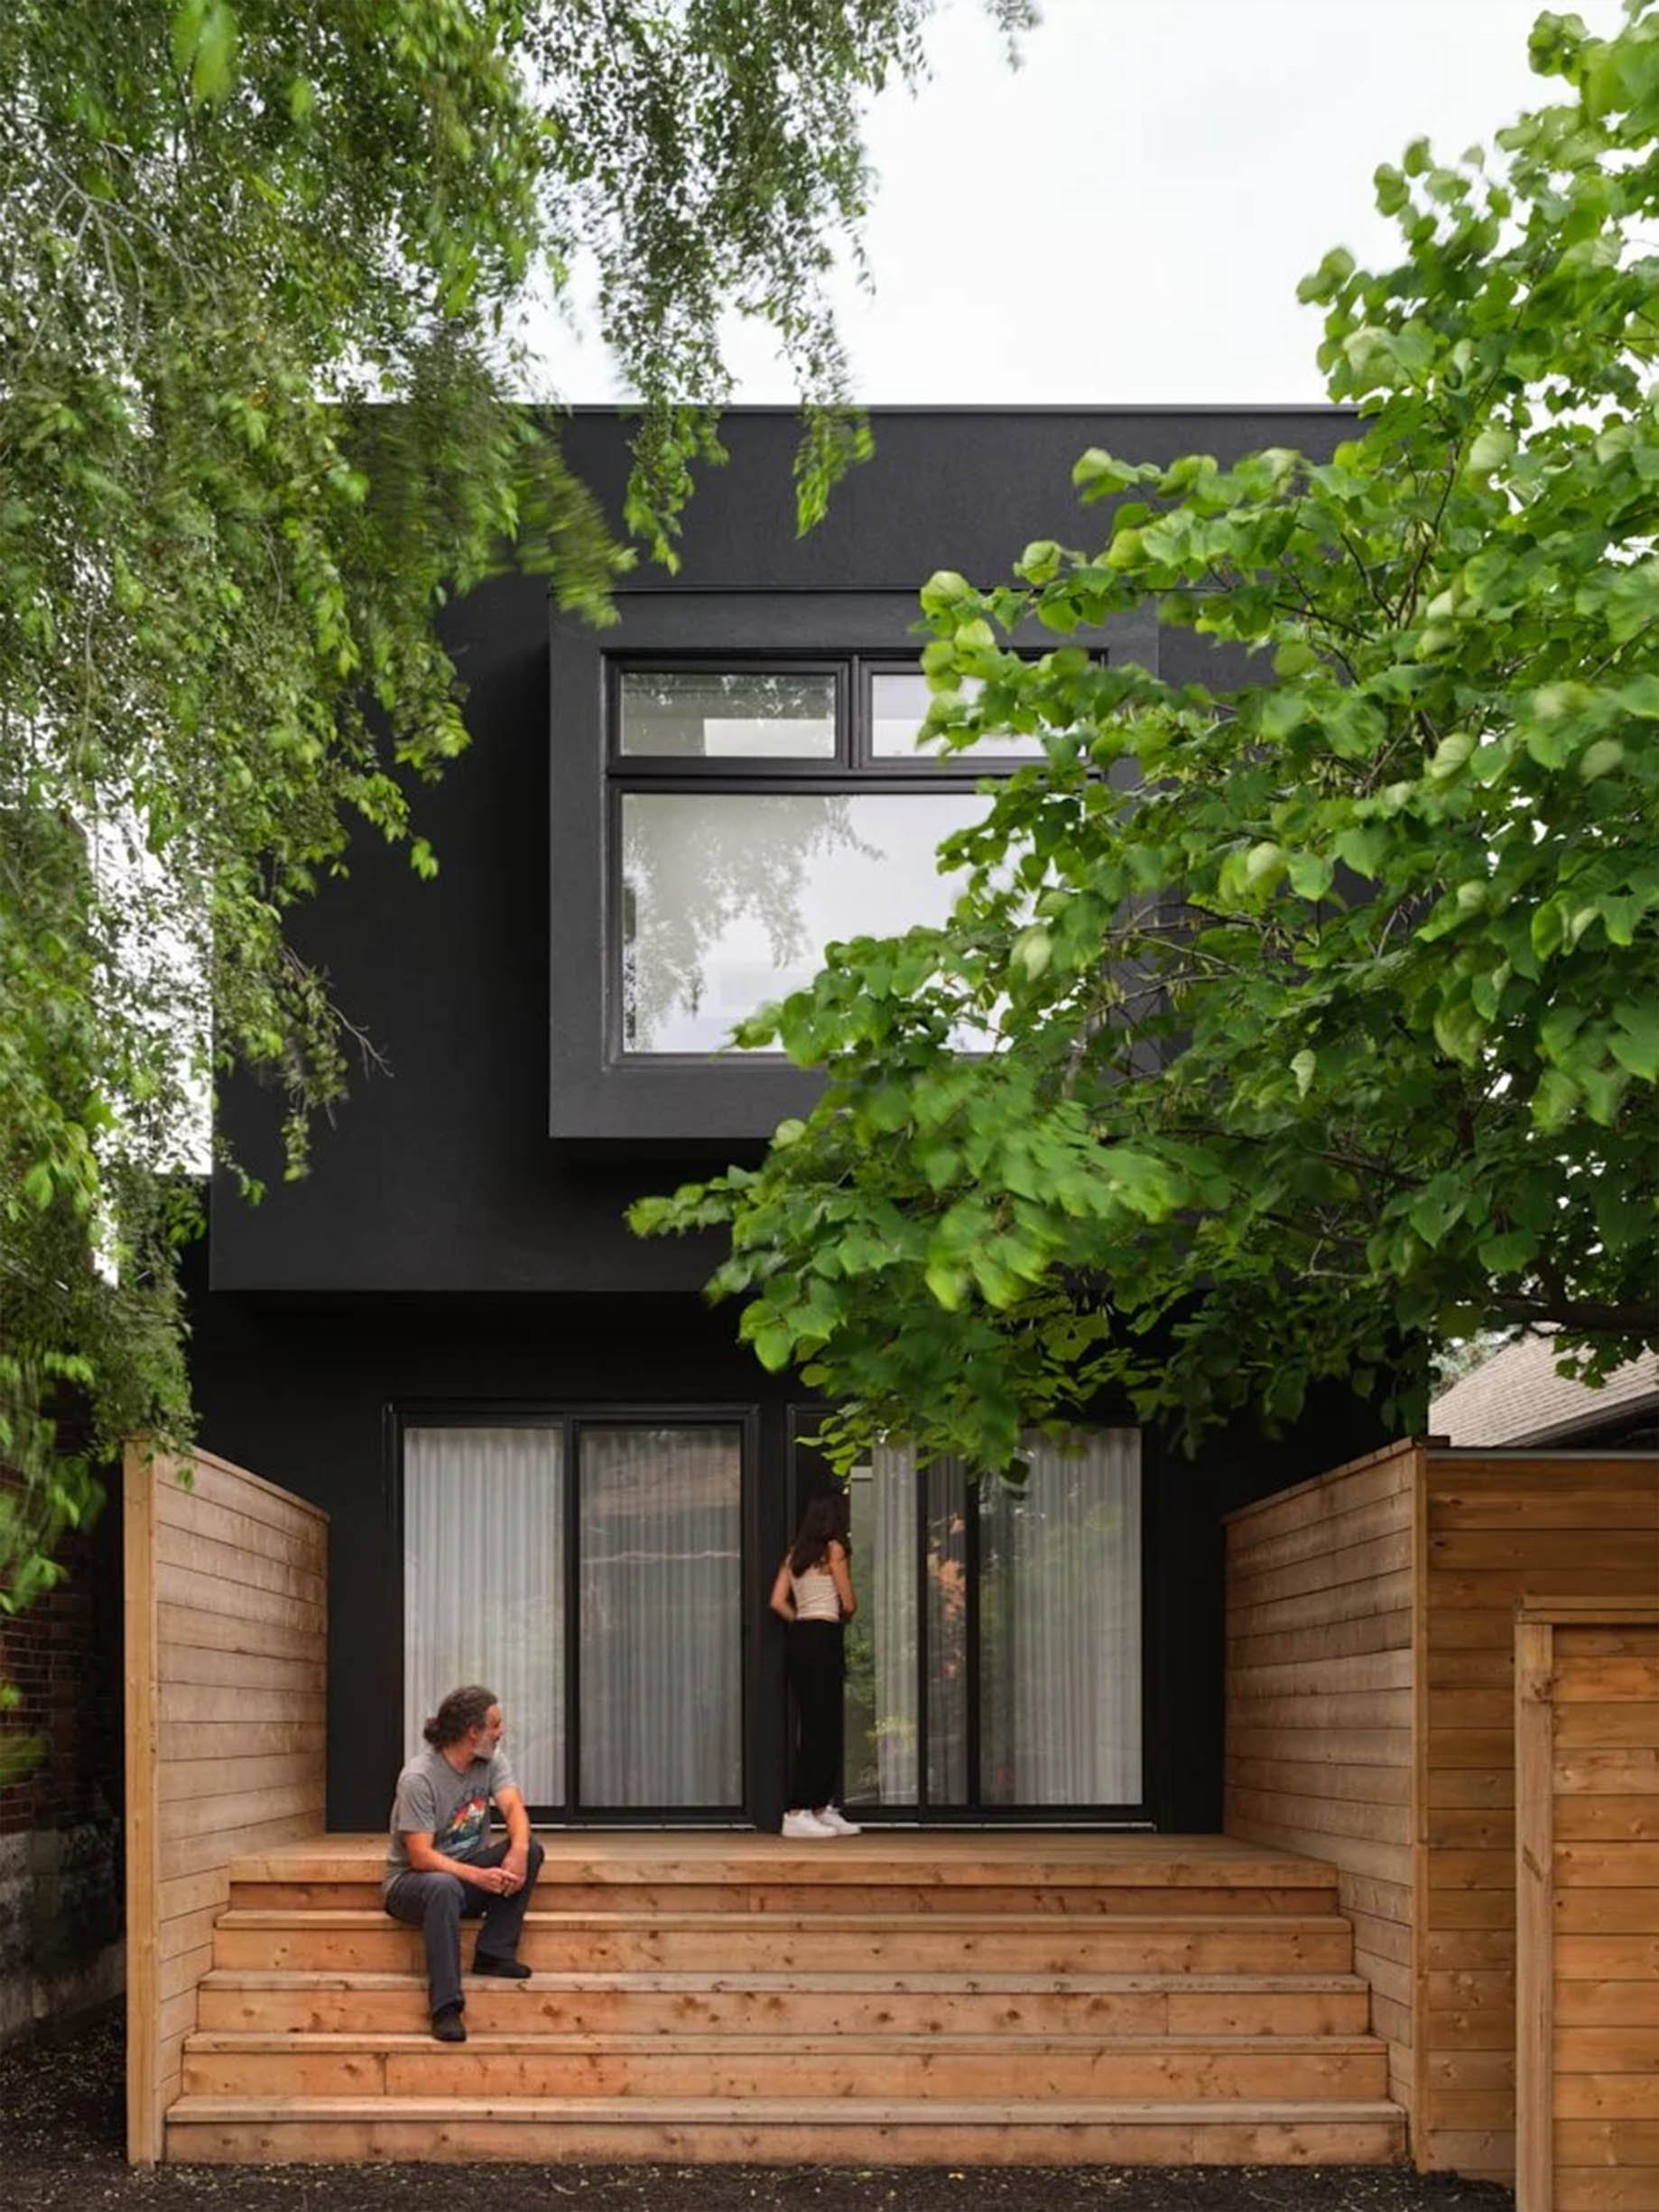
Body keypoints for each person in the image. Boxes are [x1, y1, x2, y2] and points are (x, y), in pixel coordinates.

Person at [384, 1683, 545, 2042]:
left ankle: (493, 1953)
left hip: (465, 1877)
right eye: (496, 1725)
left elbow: (513, 1808)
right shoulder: (419, 1778)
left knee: (531, 1849)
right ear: (473, 1732)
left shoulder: (491, 1760)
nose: (502, 1732)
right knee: (442, 1886)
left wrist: (517, 1850)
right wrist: (477, 1875)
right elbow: (420, 1856)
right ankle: (446, 2008)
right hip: (412, 1884)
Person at [770, 1491, 862, 1839]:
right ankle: (798, 1809)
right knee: (825, 1724)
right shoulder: (834, 1550)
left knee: (814, 1722)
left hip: (802, 1637)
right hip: (824, 1634)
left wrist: (800, 1622)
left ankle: (819, 1806)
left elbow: (777, 1601)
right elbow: (849, 1600)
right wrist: (841, 1613)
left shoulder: (795, 1554)